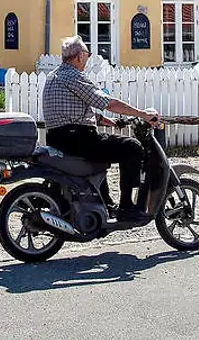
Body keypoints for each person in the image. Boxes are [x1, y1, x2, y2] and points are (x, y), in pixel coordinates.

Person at [42, 36, 159, 221]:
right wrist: (142, 114)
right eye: (87, 55)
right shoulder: (73, 76)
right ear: (79, 56)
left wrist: (109, 122)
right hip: (77, 140)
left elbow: (75, 110)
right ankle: (127, 207)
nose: (87, 59)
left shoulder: (53, 76)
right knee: (132, 147)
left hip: (58, 138)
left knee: (103, 150)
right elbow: (107, 102)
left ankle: (106, 204)